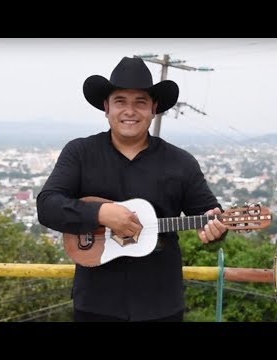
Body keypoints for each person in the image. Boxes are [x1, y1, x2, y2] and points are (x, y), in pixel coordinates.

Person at [36, 56, 228, 322]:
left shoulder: (181, 162)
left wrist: (217, 230)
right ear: (106, 107)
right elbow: (47, 206)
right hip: (95, 304)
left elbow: (209, 217)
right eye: (120, 101)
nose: (130, 111)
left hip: (161, 305)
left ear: (154, 108)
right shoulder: (80, 152)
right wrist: (100, 214)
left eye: (140, 102)